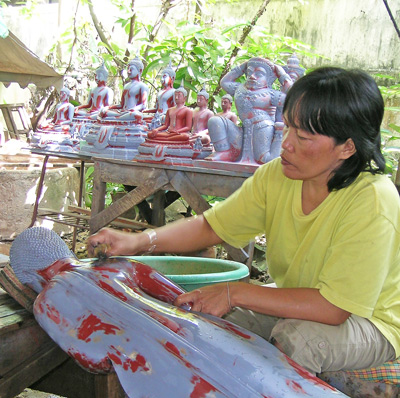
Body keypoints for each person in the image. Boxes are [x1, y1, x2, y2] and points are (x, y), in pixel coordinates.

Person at [87, 66, 400, 375]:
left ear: (347, 147)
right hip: (302, 295)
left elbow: (332, 308)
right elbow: (213, 226)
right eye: (287, 127)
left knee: (300, 339)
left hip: (370, 320)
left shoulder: (372, 199)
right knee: (210, 319)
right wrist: (140, 242)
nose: (287, 142)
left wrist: (233, 291)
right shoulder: (277, 176)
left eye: (303, 136)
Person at [207, 57, 293, 164]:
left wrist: (281, 73)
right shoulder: (239, 89)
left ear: (269, 78)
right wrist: (243, 66)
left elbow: (293, 95)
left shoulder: (272, 94)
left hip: (262, 129)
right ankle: (225, 152)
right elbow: (224, 82)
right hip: (242, 131)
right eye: (249, 72)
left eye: (259, 74)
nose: (252, 76)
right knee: (215, 121)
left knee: (265, 160)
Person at [98, 57, 149, 121]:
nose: (128, 71)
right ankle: (116, 119)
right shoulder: (126, 86)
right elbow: (121, 105)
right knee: (104, 112)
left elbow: (143, 105)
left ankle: (114, 120)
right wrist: (108, 107)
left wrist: (133, 109)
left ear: (140, 70)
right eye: (128, 69)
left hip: (132, 113)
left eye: (131, 69)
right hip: (122, 113)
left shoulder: (142, 86)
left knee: (136, 115)